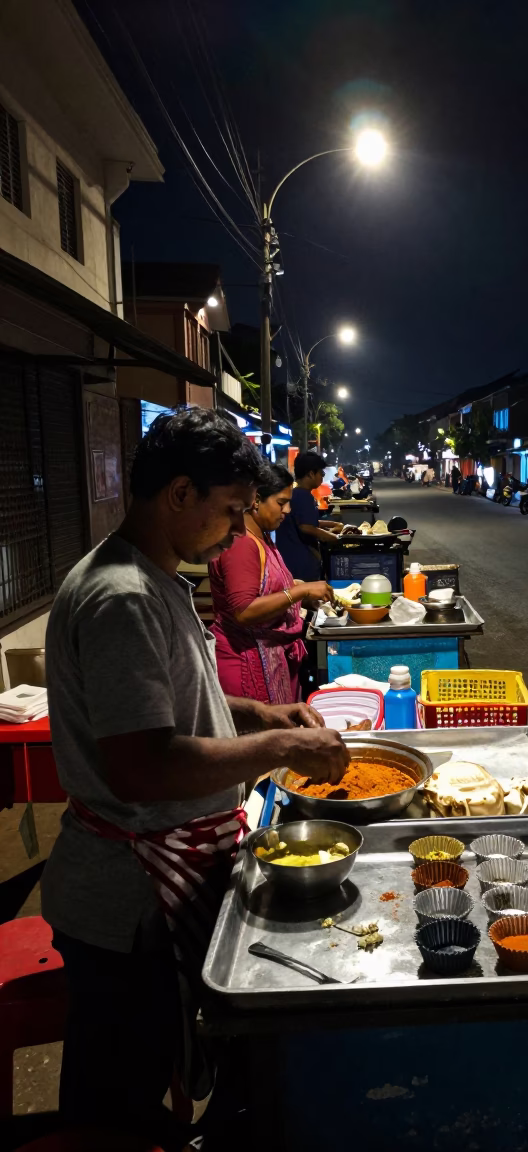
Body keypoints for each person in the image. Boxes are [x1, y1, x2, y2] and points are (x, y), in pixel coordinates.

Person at [41, 408, 349, 1150]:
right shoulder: (122, 598)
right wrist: (281, 753)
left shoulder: (158, 581)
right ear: (180, 494)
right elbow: (145, 763)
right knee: (115, 1108)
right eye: (229, 510)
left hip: (159, 878)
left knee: (151, 1079)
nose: (235, 527)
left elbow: (195, 707)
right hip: (127, 899)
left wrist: (266, 715)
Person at [209, 463, 334, 706]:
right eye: (280, 502)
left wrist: (299, 591)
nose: (287, 510)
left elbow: (267, 584)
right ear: (256, 500)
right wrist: (301, 590)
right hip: (246, 665)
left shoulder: (261, 537)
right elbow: (244, 610)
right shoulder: (242, 543)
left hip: (269, 656)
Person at [274, 451, 344, 581]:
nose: (322, 478)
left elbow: (307, 521)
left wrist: (332, 525)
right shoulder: (303, 495)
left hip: (289, 560)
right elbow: (306, 527)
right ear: (311, 474)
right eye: (321, 474)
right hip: (300, 564)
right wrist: (336, 538)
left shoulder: (296, 494)